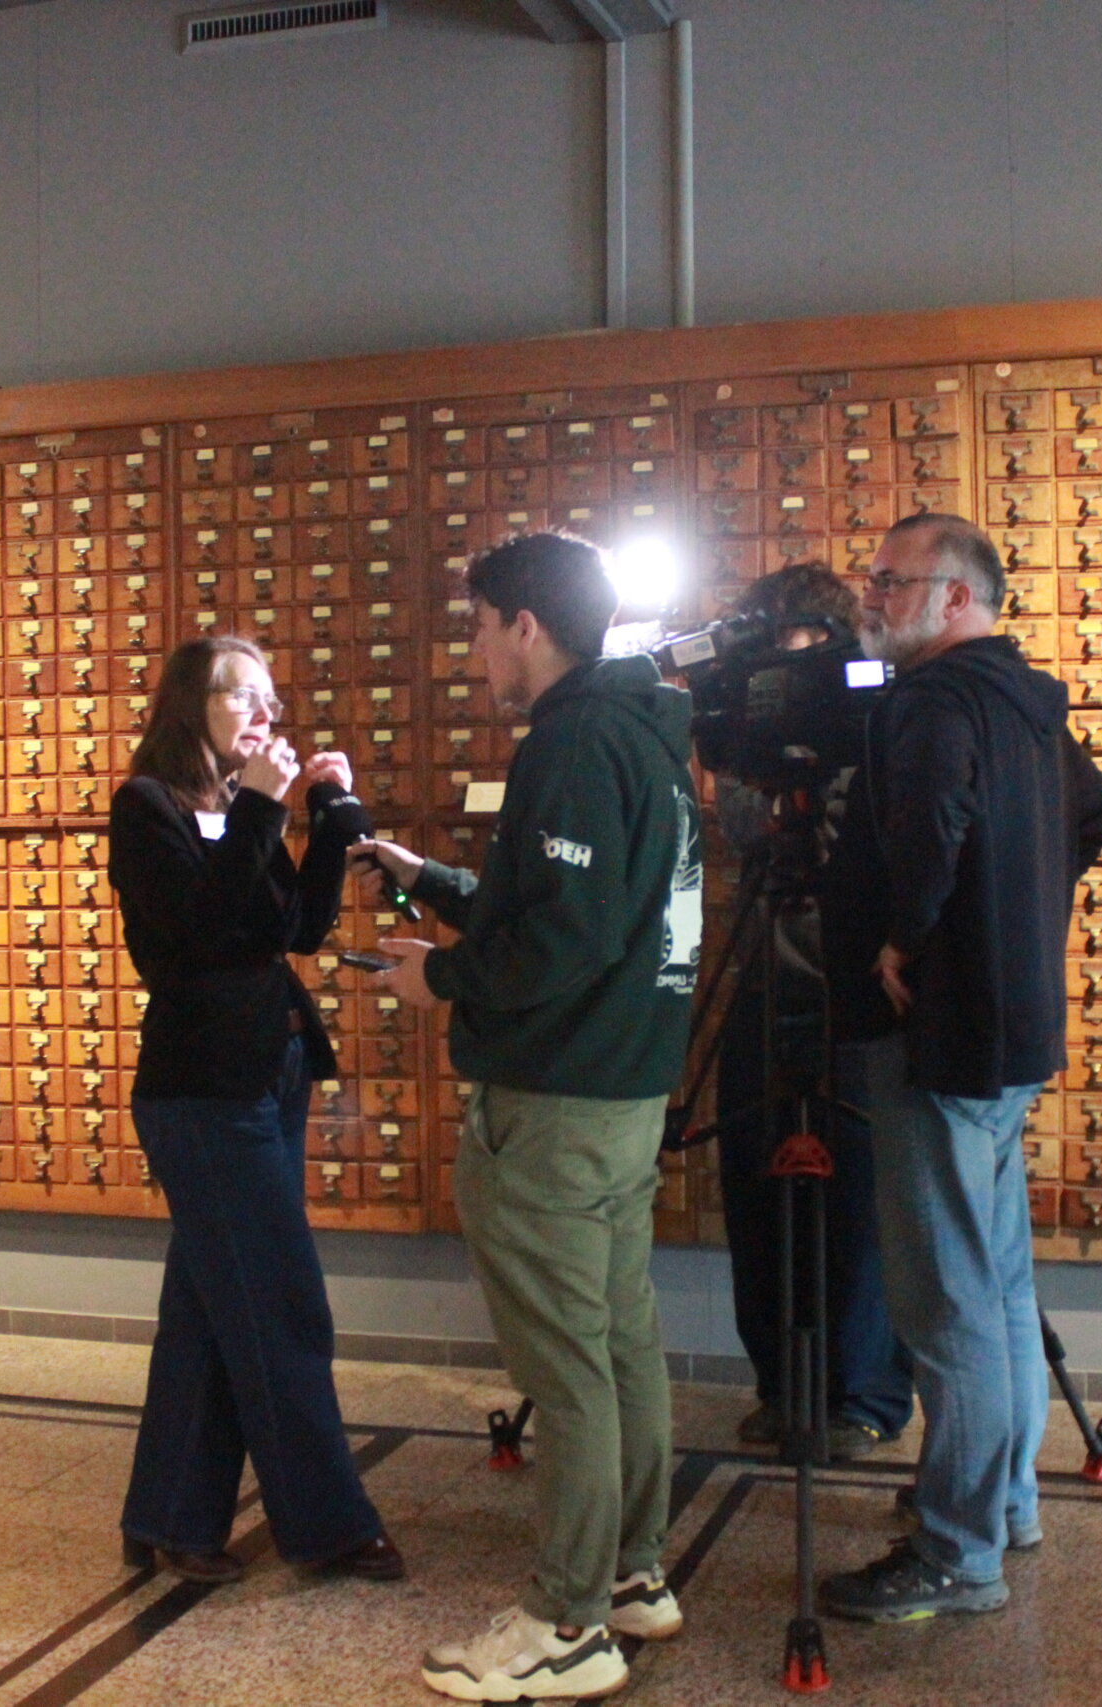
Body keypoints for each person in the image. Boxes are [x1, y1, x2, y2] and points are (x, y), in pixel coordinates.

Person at [357, 531, 700, 1701]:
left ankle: (565, 1622)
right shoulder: (646, 734)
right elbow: (597, 909)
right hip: (624, 1087)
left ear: (523, 626)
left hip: (554, 1098)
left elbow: (565, 937)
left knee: (566, 1366)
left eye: (477, 627)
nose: (474, 653)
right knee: (617, 1341)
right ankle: (632, 1574)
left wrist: (441, 980)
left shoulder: (569, 740)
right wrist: (437, 882)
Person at [817, 511, 1102, 1623]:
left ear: (955, 597)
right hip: (1010, 1030)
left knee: (947, 1303)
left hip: (938, 1038)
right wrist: (1015, 908)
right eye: (871, 580)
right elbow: (1096, 812)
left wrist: (910, 935)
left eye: (890, 582)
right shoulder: (1025, 699)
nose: (871, 599)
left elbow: (934, 818)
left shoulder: (934, 700)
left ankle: (957, 1551)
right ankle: (1005, 1505)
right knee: (996, 1286)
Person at [106, 635, 404, 1586]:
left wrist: (321, 821)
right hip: (203, 1087)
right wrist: (265, 812)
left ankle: (168, 1516)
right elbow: (195, 936)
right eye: (243, 695)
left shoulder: (241, 807)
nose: (266, 712)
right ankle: (326, 1523)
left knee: (209, 1305)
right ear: (191, 705)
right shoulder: (147, 807)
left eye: (271, 697)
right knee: (281, 1304)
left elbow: (295, 930)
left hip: (271, 1071)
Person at [705, 563, 915, 1460]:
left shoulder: (879, 715)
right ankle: (781, 1384)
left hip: (855, 978)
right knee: (757, 1177)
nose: (775, 663)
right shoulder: (753, 724)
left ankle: (863, 1392)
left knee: (861, 1192)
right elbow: (745, 826)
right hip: (767, 969)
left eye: (789, 641)